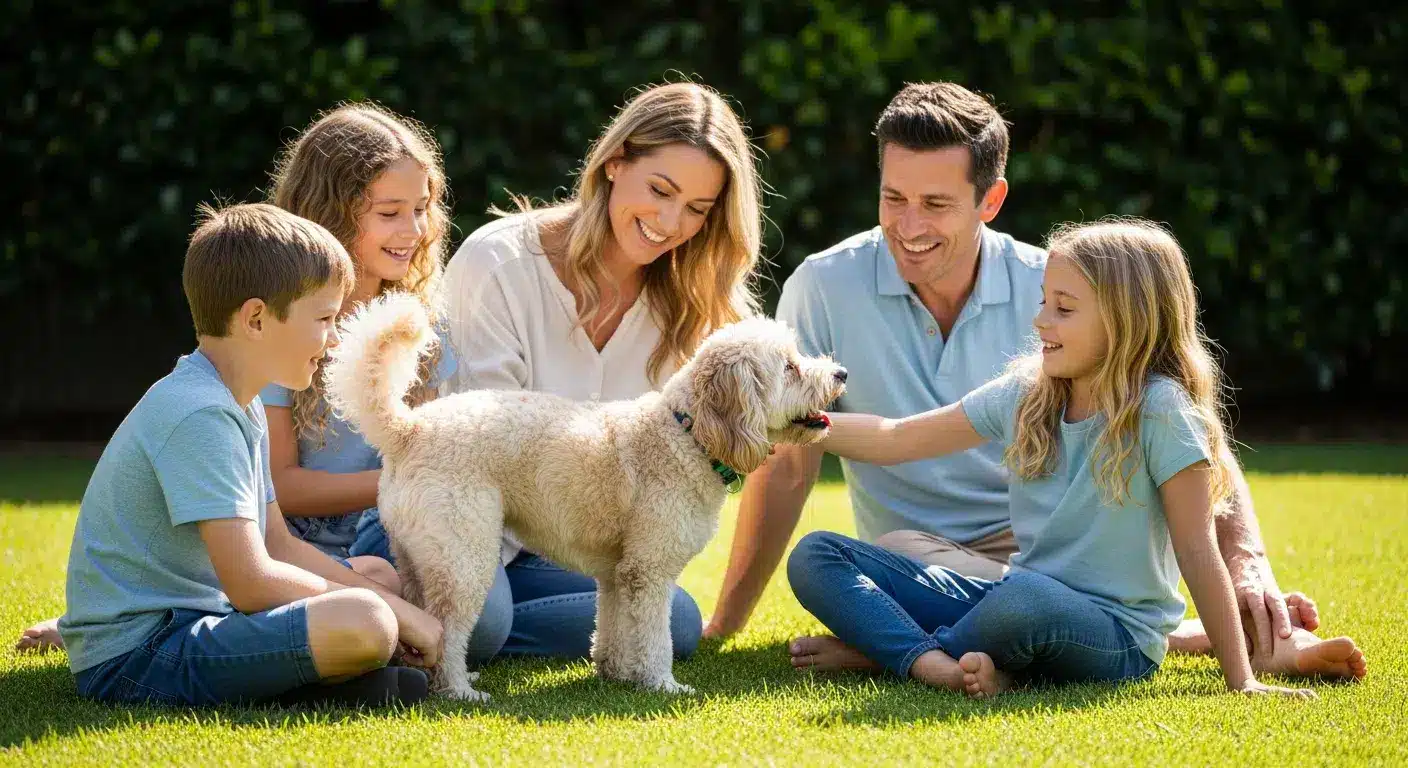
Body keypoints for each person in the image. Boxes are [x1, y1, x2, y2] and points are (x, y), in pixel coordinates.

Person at [704, 81, 1338, 679]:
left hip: (1051, 569)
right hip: (930, 561)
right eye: (893, 197)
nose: (908, 225)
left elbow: (1199, 453)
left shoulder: (1065, 288)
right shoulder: (825, 286)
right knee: (837, 556)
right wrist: (725, 621)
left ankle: (896, 649)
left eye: (936, 204)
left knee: (1032, 597)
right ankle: (1164, 638)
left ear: (991, 200)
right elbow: (846, 450)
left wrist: (1247, 563)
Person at [787, 219, 1366, 698]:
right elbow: (896, 436)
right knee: (818, 555)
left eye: (1064, 308)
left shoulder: (1162, 411)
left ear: (1127, 321)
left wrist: (1241, 680)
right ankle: (930, 659)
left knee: (1027, 600)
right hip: (1018, 595)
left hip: (1114, 635)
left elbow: (1197, 546)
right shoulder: (1027, 390)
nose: (1041, 322)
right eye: (1045, 303)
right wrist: (795, 424)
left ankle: (888, 652)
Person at [51, 203, 443, 706]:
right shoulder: (200, 413)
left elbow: (277, 545)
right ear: (256, 318)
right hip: (140, 655)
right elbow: (251, 583)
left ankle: (328, 677)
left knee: (377, 575)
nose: (331, 340)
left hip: (202, 618)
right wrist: (391, 611)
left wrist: (384, 597)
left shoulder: (241, 403)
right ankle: (315, 680)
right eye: (324, 318)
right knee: (367, 617)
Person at [432, 81, 765, 660]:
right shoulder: (500, 263)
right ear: (615, 163)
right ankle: (439, 617)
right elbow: (477, 444)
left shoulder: (694, 304)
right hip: (463, 514)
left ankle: (441, 626)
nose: (669, 222)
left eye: (697, 210)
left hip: (569, 546)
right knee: (480, 623)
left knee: (677, 623)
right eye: (660, 190)